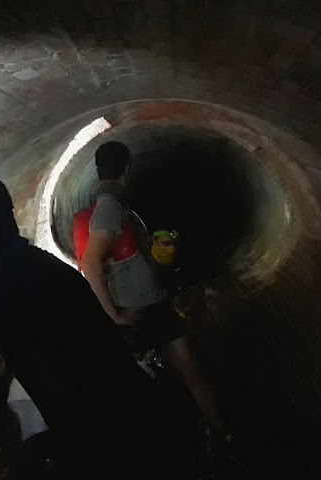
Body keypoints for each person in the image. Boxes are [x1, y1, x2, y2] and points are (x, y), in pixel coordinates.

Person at [0, 171, 189, 479]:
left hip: (112, 432)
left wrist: (74, 453)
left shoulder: (11, 283)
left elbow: (58, 377)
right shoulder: (17, 270)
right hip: (118, 423)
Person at [81, 141, 225, 435]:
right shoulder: (108, 207)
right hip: (135, 312)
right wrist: (114, 315)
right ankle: (176, 435)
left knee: (189, 367)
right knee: (146, 381)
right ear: (127, 168)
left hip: (154, 305)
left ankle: (217, 429)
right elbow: (91, 262)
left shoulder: (119, 204)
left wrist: (153, 251)